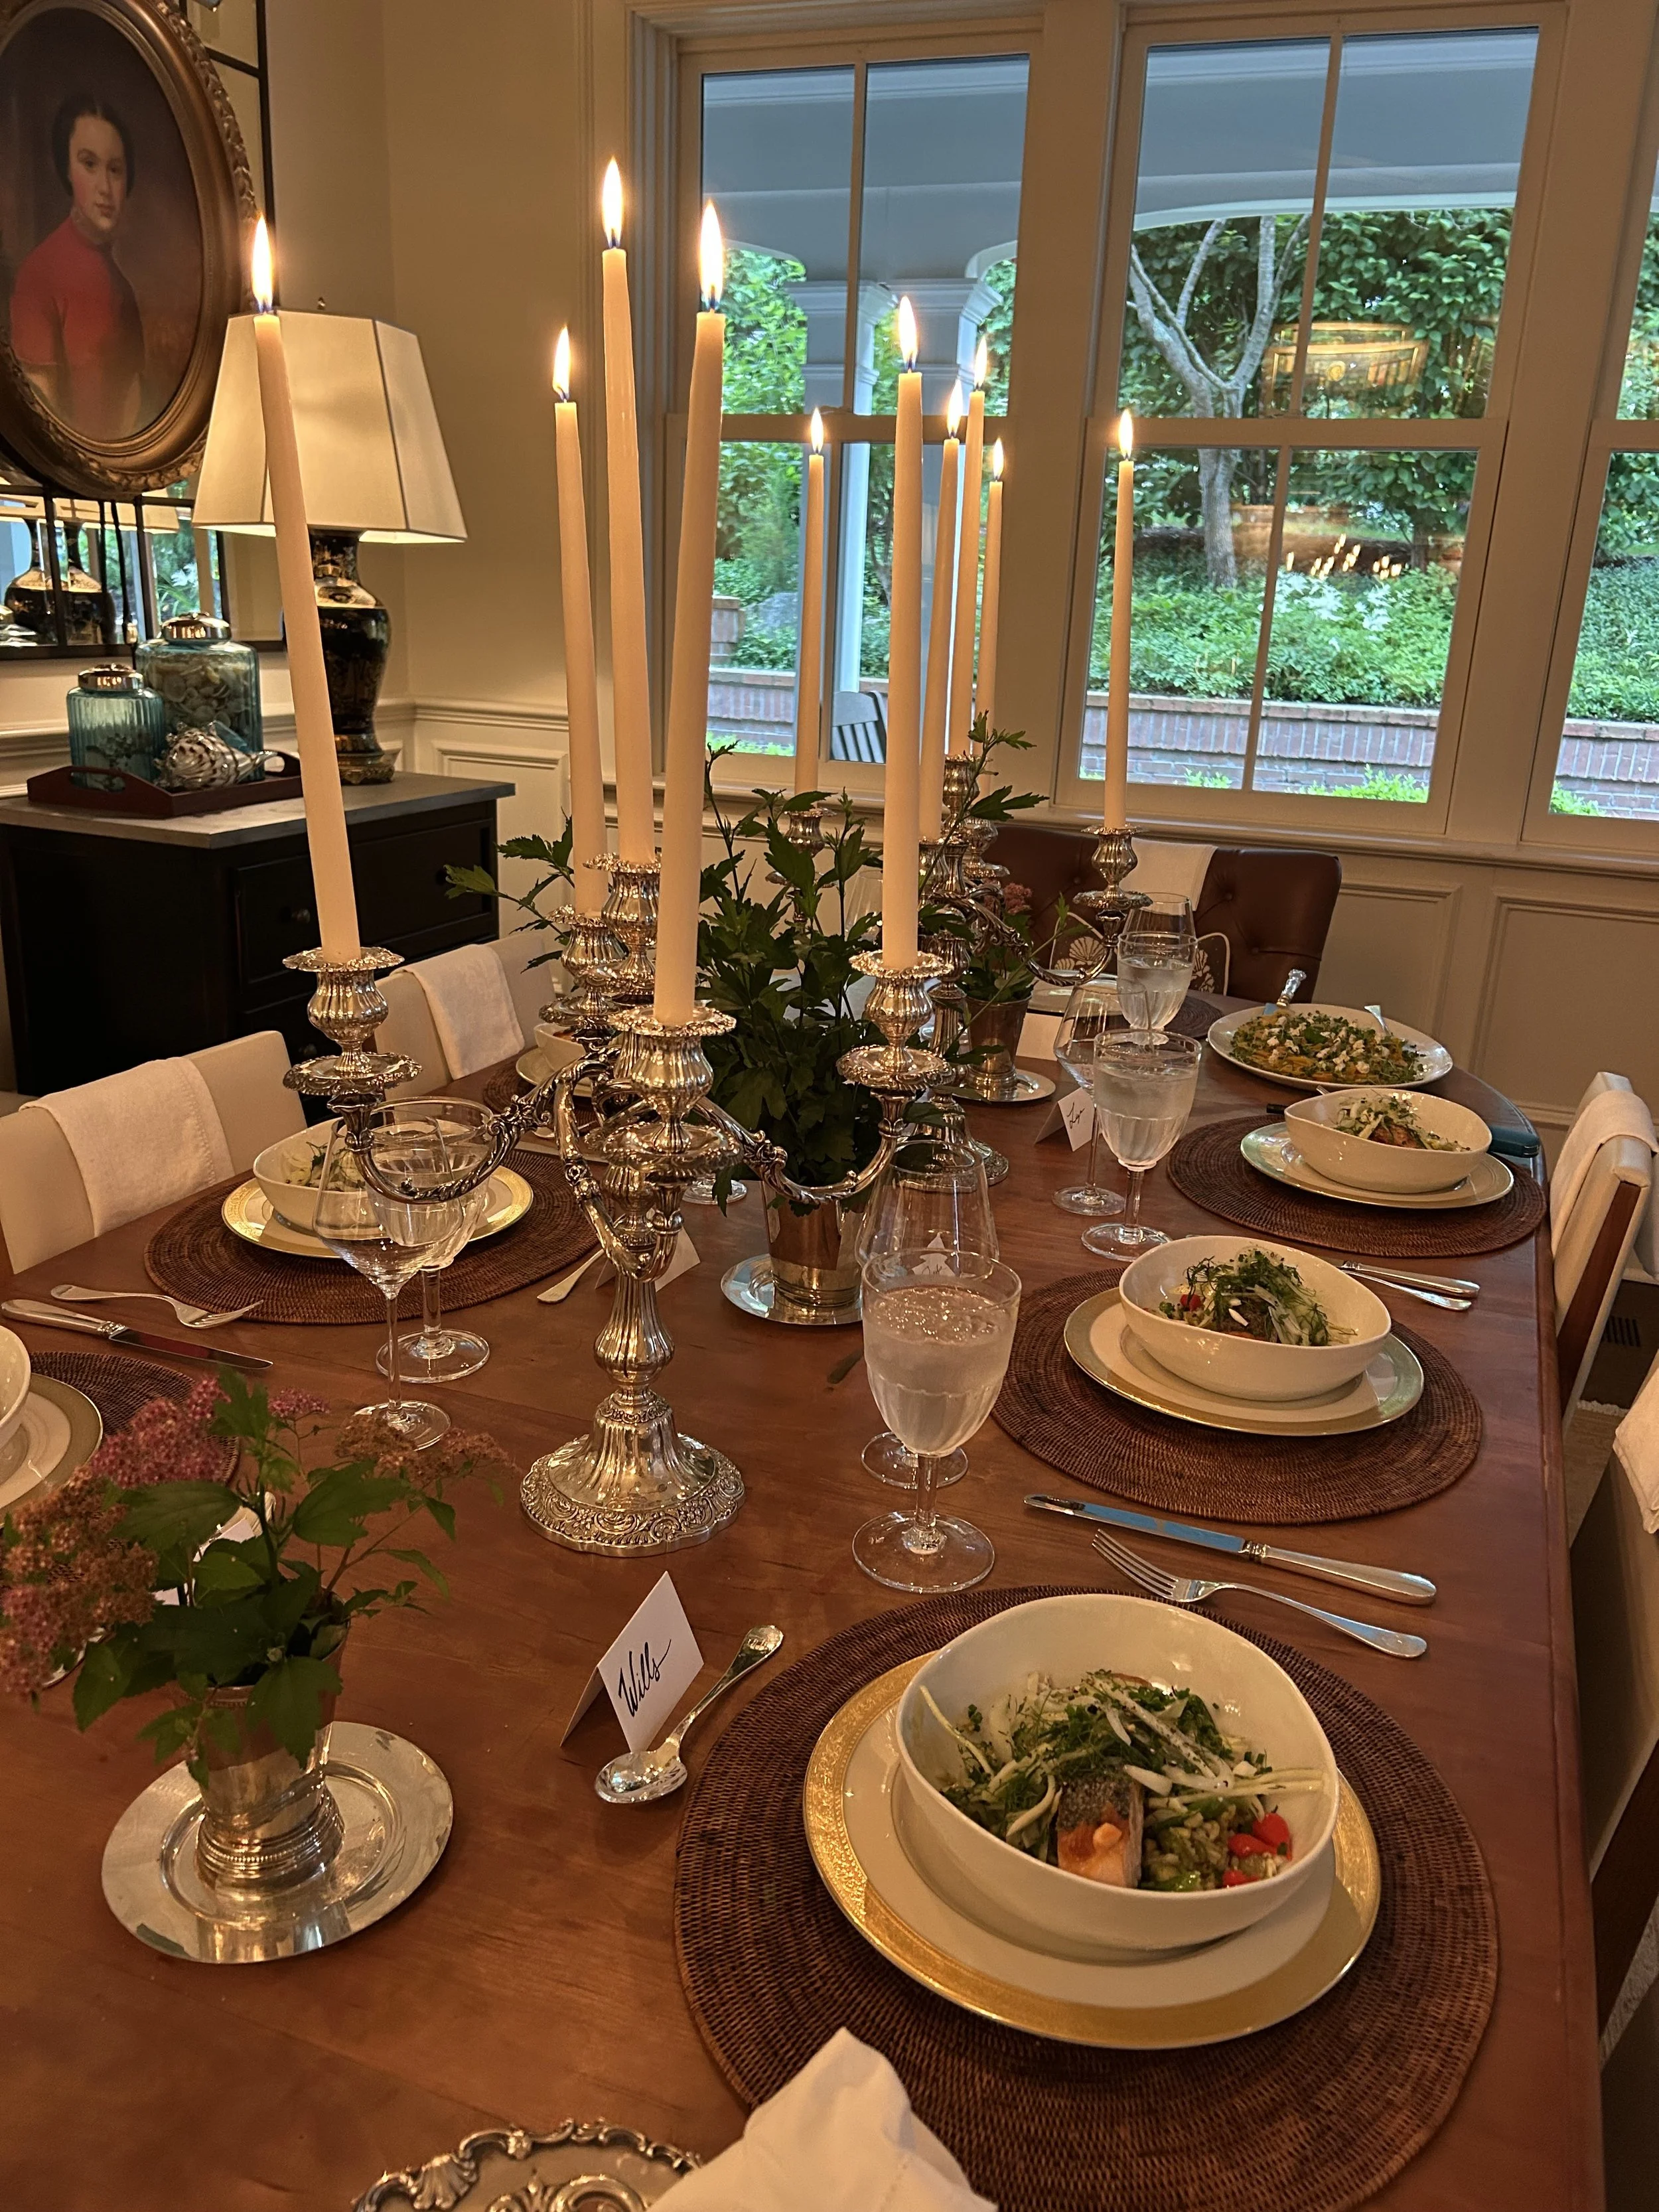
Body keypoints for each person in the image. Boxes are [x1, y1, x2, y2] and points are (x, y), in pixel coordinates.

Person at [9, 93, 144, 440]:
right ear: (67, 170)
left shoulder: (123, 288)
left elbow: (132, 403)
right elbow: (40, 416)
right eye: (89, 164)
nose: (105, 188)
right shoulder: (40, 274)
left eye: (115, 169)